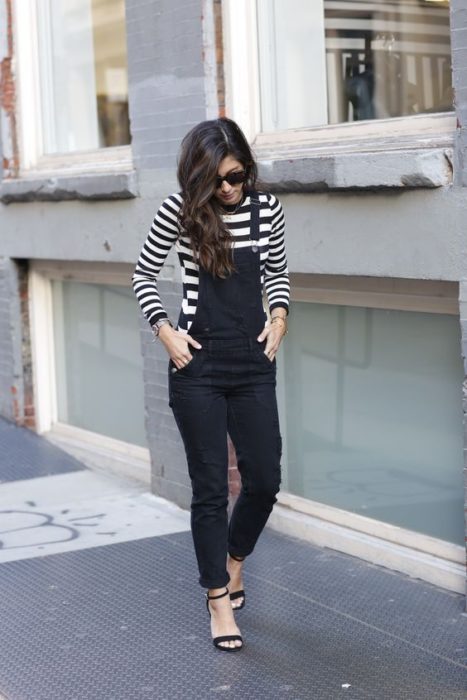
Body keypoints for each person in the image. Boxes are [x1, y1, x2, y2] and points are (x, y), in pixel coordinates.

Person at [131, 117, 290, 652]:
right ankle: (218, 597)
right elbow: (142, 275)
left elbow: (277, 274)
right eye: (218, 180)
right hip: (196, 364)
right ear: (200, 178)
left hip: (251, 361)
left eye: (237, 176)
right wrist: (165, 332)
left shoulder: (266, 210)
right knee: (210, 491)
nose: (228, 189)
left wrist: (281, 315)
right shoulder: (179, 212)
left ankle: (234, 562)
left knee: (264, 479)